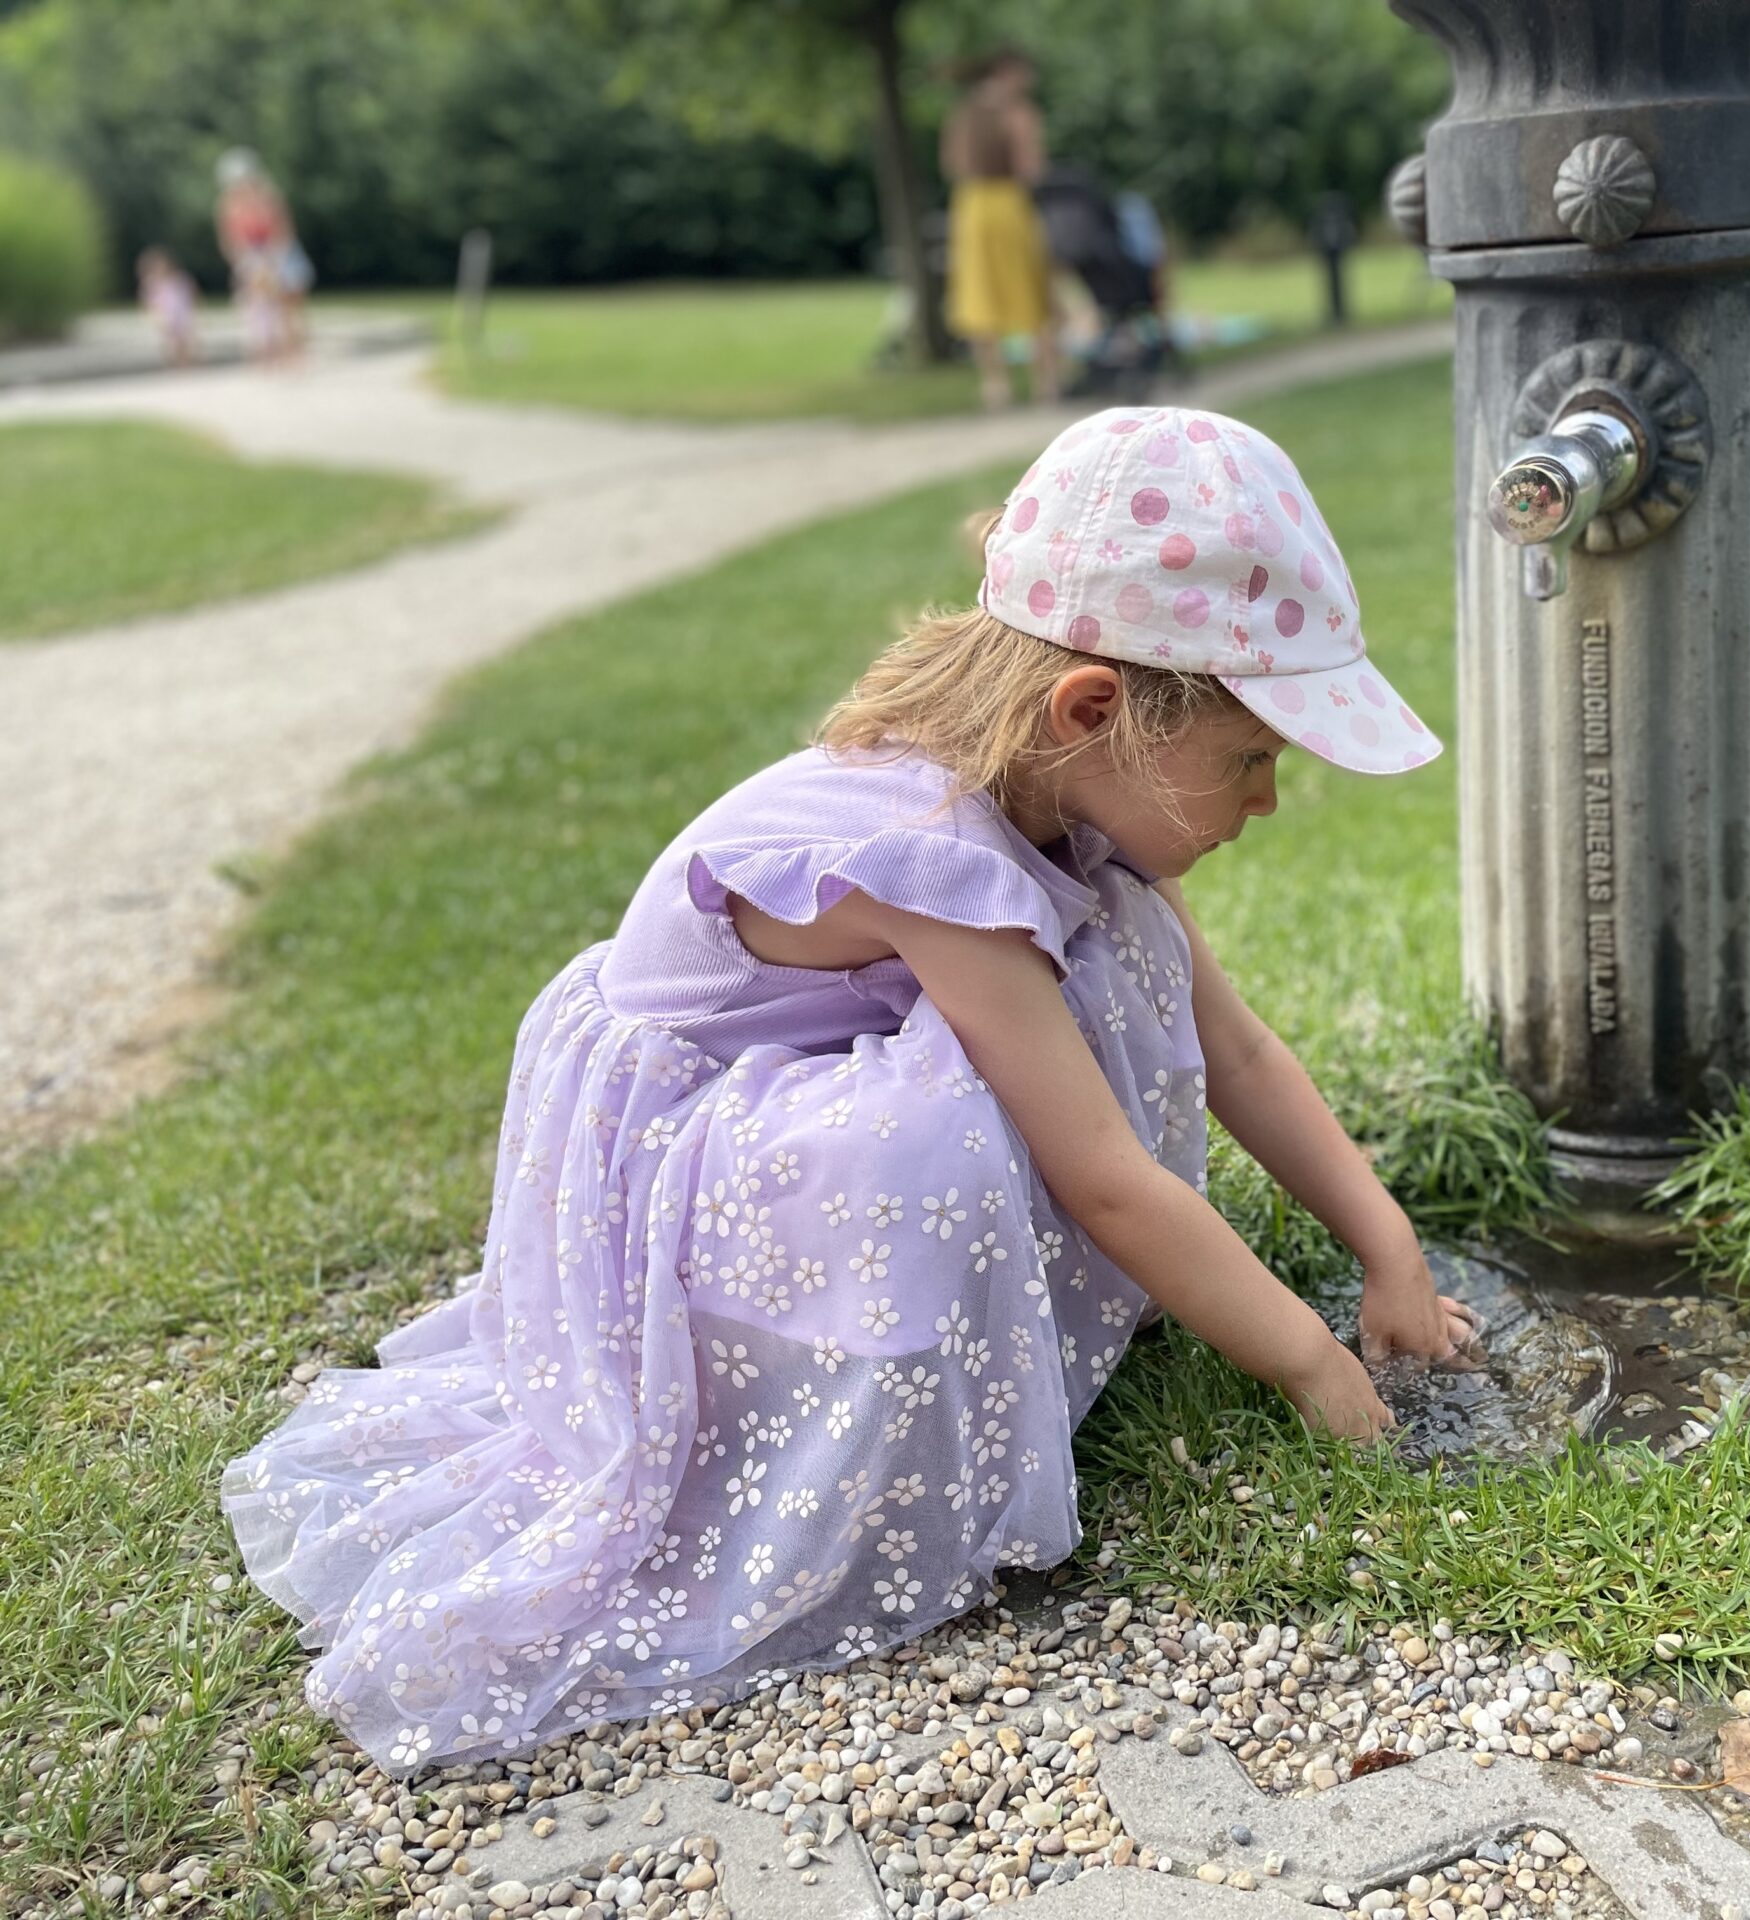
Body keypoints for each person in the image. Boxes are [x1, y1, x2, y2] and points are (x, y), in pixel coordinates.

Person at [222, 405, 1462, 1775]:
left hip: (788, 1065)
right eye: (1253, 759)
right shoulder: (940, 858)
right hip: (694, 1130)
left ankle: (1024, 1339)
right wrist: (1308, 1360)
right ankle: (814, 1409)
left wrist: (1384, 1247)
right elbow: (1104, 1172)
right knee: (937, 1135)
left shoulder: (1075, 797)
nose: (1269, 800)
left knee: (1120, 969)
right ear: (1093, 709)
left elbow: (1239, 1055)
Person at [940, 49, 1060, 409]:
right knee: (1030, 290)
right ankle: (1046, 381)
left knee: (980, 292)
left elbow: (952, 164)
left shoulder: (962, 113)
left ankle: (996, 383)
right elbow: (1031, 167)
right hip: (1008, 203)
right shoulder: (1019, 113)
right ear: (1008, 72)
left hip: (971, 204)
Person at [214, 148, 313, 362]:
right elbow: (230, 241)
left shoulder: (269, 197)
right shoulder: (228, 206)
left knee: (289, 305)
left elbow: (283, 232)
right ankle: (270, 354)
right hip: (252, 256)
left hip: (280, 253)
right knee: (260, 307)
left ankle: (294, 352)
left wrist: (274, 259)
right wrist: (246, 263)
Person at [136, 247, 199, 366]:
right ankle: (177, 363)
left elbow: (191, 292)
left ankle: (187, 362)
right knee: (172, 341)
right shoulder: (152, 283)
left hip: (181, 313)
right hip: (166, 315)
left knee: (186, 338)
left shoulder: (179, 279)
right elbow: (147, 301)